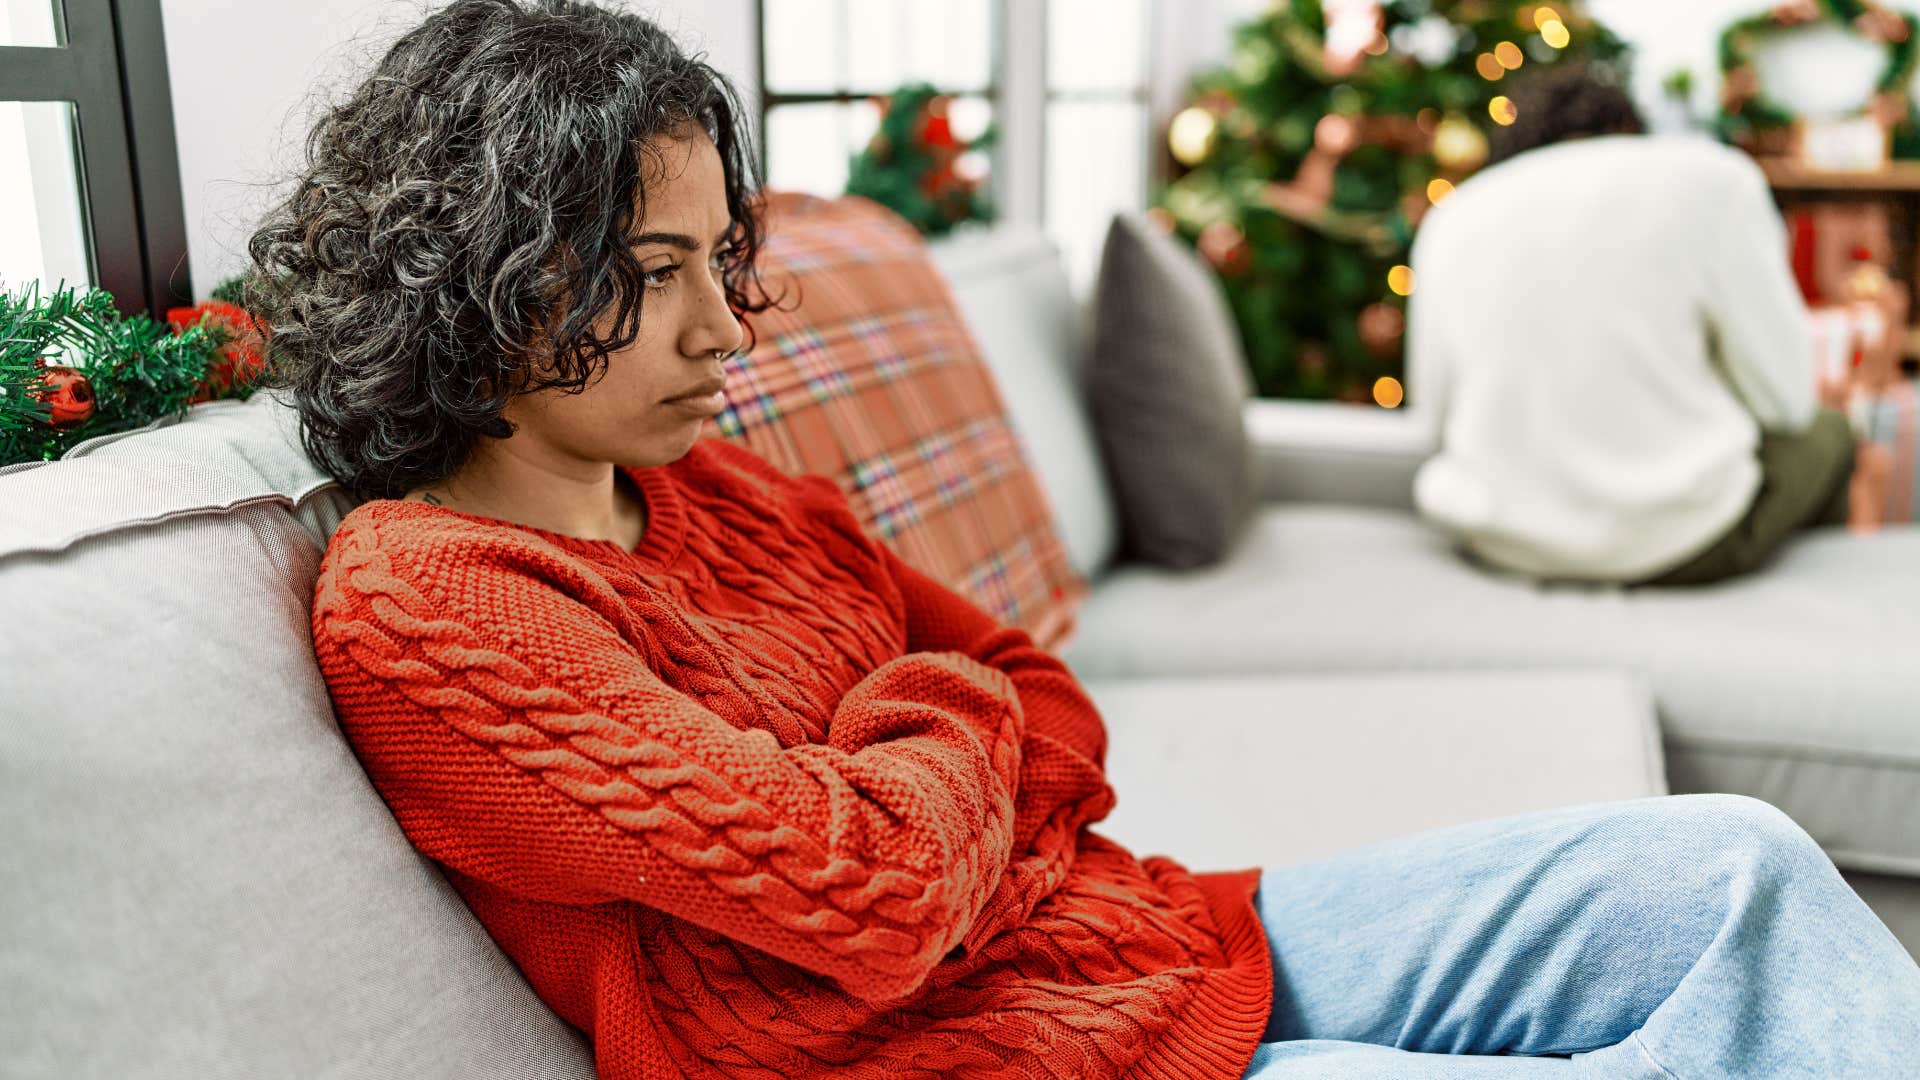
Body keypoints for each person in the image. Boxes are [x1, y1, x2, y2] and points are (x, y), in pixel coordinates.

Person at [253, 4, 1920, 1077]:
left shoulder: (717, 489)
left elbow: (1037, 689)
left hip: (1145, 939)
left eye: (719, 261)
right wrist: (935, 733)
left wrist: (911, 738)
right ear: (480, 267)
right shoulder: (432, 598)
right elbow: (877, 890)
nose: (720, 330)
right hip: (994, 1064)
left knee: (1739, 866)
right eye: (650, 268)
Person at [1405, 64, 1890, 586]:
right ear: (1631, 133)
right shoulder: (1711, 182)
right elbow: (1788, 402)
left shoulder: (1452, 216)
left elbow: (1431, 421)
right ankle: (1819, 617)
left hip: (1497, 541)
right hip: (1680, 542)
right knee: (1829, 432)